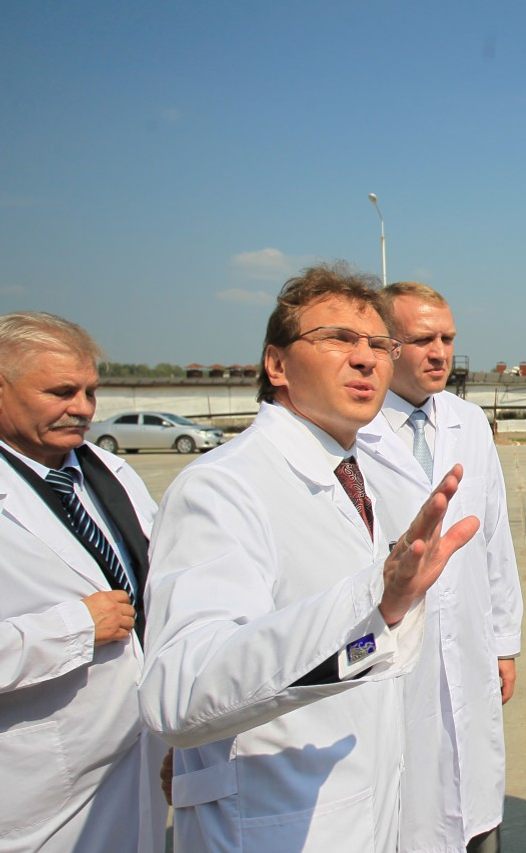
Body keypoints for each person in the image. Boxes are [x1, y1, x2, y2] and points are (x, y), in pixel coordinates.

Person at [139, 263, 479, 852]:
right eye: (338, 339)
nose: (366, 359)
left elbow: (366, 658)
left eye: (379, 344)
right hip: (272, 822)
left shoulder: (365, 479)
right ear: (276, 365)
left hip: (368, 813)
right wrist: (373, 604)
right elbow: (180, 691)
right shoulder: (221, 488)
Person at [363, 281, 523, 853]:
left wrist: (504, 644)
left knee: (474, 804)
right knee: (407, 809)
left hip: (472, 646)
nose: (440, 353)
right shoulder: (355, 431)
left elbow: (495, 538)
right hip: (393, 654)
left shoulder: (469, 422)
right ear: (386, 345)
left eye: (447, 339)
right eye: (423, 340)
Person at [0, 312, 167, 852]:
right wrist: (75, 628)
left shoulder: (107, 472)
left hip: (134, 757)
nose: (83, 408)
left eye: (91, 391)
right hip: (34, 790)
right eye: (61, 392)